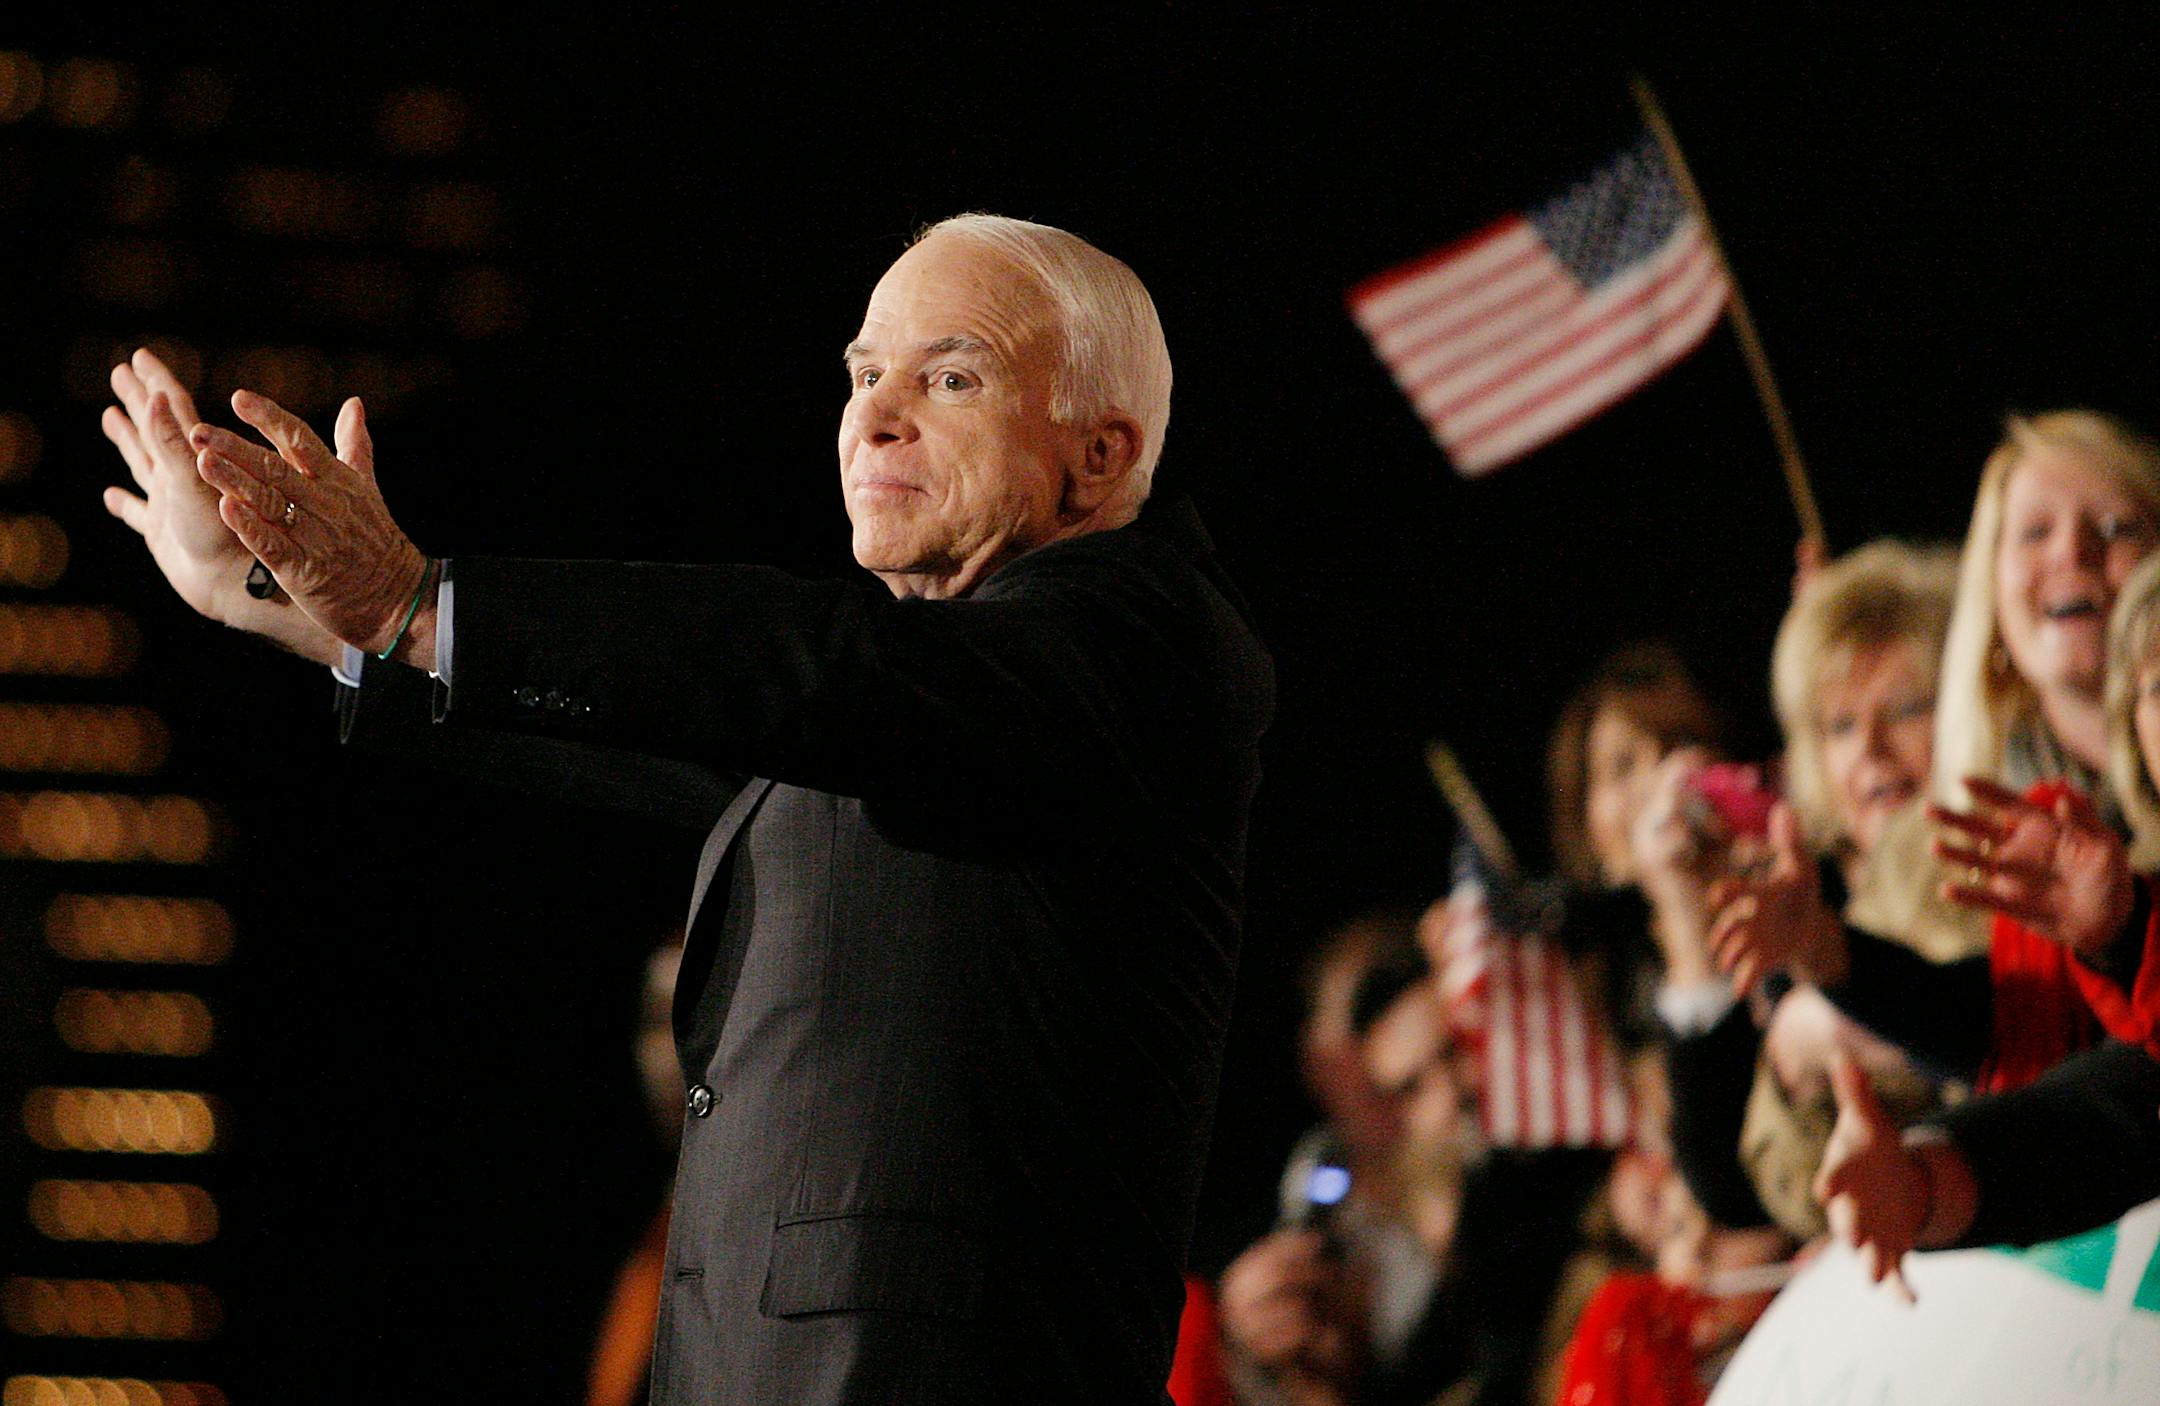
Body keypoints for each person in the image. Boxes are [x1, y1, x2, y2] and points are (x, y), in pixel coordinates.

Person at [98, 215, 1275, 1404]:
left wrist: (411, 597)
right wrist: (287, 599)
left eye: (951, 376)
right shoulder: (912, 713)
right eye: (864, 373)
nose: (874, 414)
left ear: (1103, 453)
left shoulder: (1146, 650)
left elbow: (797, 665)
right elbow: (657, 720)